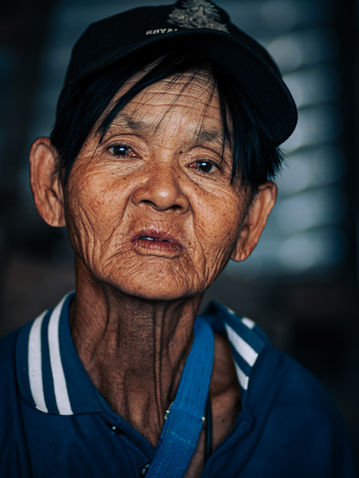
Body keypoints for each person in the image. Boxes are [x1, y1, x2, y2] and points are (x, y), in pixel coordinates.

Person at [0, 1, 356, 477]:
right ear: (52, 184)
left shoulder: (298, 419)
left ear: (251, 220)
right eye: (123, 149)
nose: (164, 192)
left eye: (205, 164)